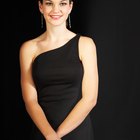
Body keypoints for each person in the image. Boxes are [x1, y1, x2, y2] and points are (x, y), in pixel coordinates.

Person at [19, 0, 99, 139]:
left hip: (77, 132)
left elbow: (90, 99)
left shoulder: (85, 44)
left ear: (70, 7)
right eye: (49, 3)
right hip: (43, 132)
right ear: (40, 6)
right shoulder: (29, 48)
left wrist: (57, 135)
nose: (56, 9)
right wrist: (49, 135)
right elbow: (30, 100)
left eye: (62, 3)